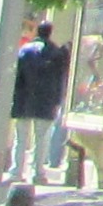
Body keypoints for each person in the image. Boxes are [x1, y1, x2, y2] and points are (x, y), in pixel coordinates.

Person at [9, 20, 69, 183]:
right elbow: (60, 80)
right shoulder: (56, 53)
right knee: (42, 138)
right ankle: (38, 172)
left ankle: (16, 171)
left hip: (24, 99)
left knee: (20, 137)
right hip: (45, 101)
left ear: (37, 32)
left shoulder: (24, 50)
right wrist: (58, 100)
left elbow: (16, 76)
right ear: (50, 33)